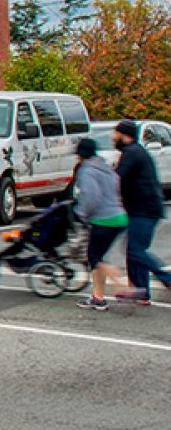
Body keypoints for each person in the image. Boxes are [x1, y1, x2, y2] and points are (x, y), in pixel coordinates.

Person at [111, 119, 171, 304]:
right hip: (142, 208)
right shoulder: (134, 152)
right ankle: (142, 292)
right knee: (133, 250)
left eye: (115, 133)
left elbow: (117, 178)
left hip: (144, 209)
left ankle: (166, 279)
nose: (113, 137)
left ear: (124, 135)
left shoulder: (132, 153)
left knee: (135, 250)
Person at [72, 136, 128, 311]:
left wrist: (81, 213)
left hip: (103, 219)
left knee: (95, 258)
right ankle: (98, 297)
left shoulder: (87, 170)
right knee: (97, 257)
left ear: (81, 154)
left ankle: (123, 286)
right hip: (119, 216)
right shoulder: (106, 168)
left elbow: (90, 195)